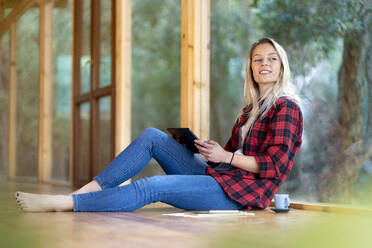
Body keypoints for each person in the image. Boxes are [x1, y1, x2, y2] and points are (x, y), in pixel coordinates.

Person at [15, 37, 303, 212]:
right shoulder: (249, 111)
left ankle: (65, 204)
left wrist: (225, 157)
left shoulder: (286, 107)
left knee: (153, 187)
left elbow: (273, 165)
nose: (264, 64)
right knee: (153, 136)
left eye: (271, 59)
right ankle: (84, 193)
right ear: (251, 68)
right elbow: (228, 161)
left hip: (240, 196)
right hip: (222, 178)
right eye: (257, 59)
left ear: (281, 66)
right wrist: (208, 152)